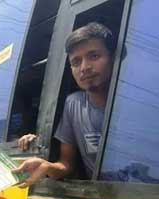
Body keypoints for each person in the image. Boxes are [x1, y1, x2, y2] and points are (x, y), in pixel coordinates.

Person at [15, 22, 115, 187]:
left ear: (112, 57)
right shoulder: (74, 104)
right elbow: (66, 165)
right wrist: (47, 166)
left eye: (94, 56)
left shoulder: (132, 102)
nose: (84, 67)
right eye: (76, 62)